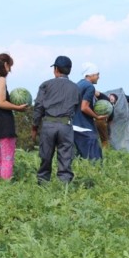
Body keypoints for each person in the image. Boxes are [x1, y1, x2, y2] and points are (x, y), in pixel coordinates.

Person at [32, 56, 81, 184]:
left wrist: (35, 126)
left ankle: (42, 183)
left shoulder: (46, 85)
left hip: (48, 124)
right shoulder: (76, 88)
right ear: (69, 70)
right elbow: (77, 107)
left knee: (45, 157)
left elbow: (38, 107)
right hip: (66, 125)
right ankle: (63, 187)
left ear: (56, 69)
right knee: (65, 158)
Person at [0, 53, 27, 181]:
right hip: (4, 125)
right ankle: (5, 187)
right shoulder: (1, 80)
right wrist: (18, 107)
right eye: (10, 67)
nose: (10, 70)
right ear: (5, 65)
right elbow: (0, 102)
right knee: (8, 159)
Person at [72, 62, 106, 160]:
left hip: (74, 126)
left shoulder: (78, 84)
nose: (98, 77)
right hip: (85, 128)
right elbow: (84, 107)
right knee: (95, 160)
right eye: (97, 74)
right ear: (90, 75)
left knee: (80, 159)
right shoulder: (90, 87)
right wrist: (97, 116)